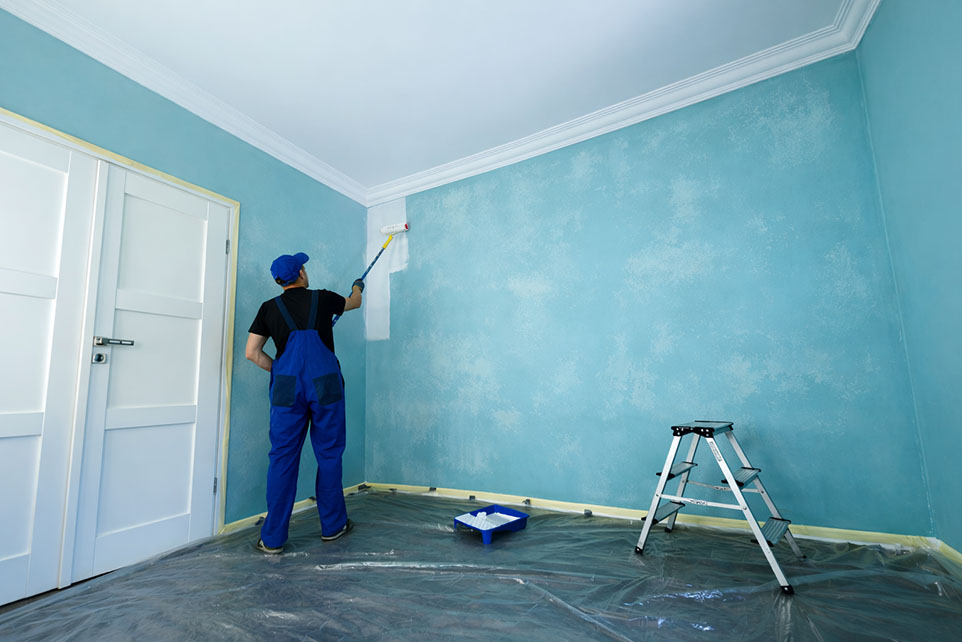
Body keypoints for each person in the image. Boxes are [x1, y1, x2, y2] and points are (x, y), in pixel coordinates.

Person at [245, 251, 363, 554]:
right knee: (329, 454)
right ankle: (333, 526)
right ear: (301, 274)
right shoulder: (323, 298)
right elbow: (353, 303)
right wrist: (358, 287)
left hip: (287, 387)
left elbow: (252, 353)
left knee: (282, 456)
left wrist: (283, 370)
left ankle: (272, 539)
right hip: (324, 383)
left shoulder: (268, 308)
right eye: (304, 268)